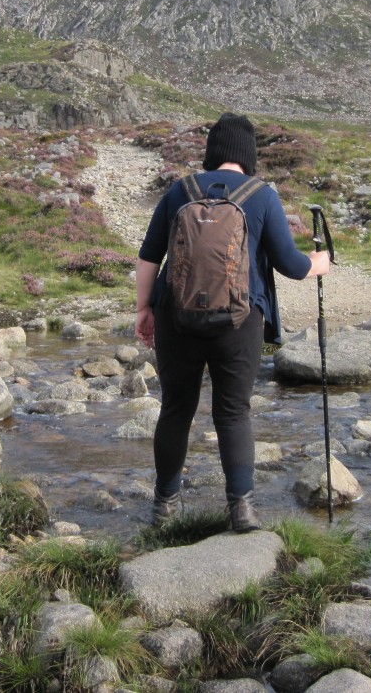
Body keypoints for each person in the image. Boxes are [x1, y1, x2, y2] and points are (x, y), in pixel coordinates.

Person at [134, 113, 330, 532]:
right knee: (233, 413)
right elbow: (291, 266)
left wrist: (144, 310)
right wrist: (319, 263)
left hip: (176, 316)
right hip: (239, 324)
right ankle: (241, 510)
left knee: (175, 410)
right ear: (248, 155)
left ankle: (164, 507)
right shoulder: (261, 196)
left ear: (212, 152)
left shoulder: (179, 190)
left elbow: (149, 256)